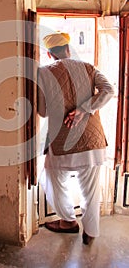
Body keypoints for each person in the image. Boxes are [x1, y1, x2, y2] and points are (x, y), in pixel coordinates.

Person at [37, 31, 114, 245]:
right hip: (92, 140)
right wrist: (84, 108)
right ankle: (90, 233)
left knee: (51, 180)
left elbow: (43, 112)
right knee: (90, 190)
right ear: (68, 49)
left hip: (63, 142)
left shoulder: (43, 73)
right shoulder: (89, 67)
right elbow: (109, 90)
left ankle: (68, 221)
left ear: (50, 54)